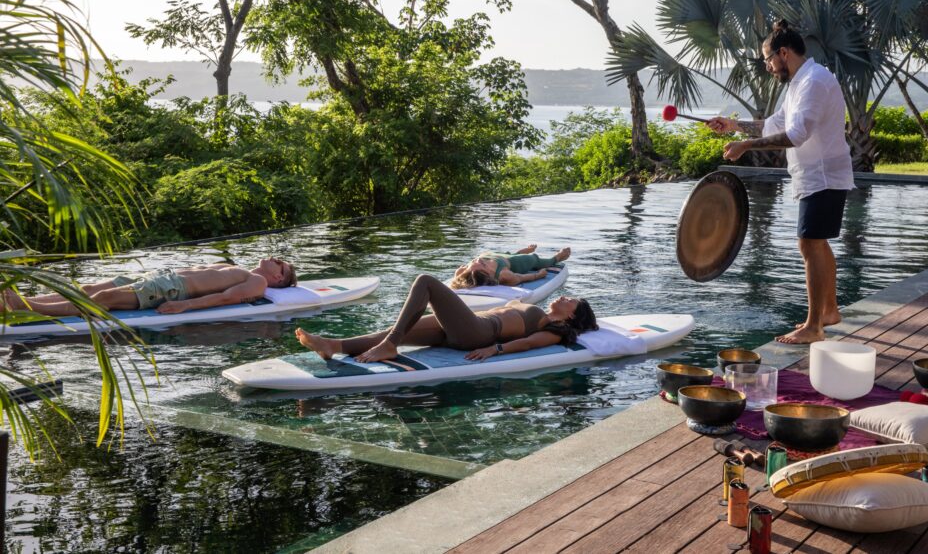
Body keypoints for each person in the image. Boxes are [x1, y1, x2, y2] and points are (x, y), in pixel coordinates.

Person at [707, 20, 853, 345]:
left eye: (768, 60)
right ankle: (829, 311)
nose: (768, 67)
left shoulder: (813, 82)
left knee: (810, 243)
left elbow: (796, 135)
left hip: (824, 174)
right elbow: (773, 124)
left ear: (783, 53)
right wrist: (733, 125)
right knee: (816, 242)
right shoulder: (800, 83)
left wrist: (745, 146)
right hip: (819, 175)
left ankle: (814, 326)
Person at [296, 273, 596, 363]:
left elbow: (531, 344)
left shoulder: (555, 328)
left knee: (426, 281)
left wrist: (496, 349)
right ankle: (332, 346)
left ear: (572, 316)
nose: (565, 297)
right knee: (396, 329)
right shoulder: (539, 310)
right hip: (464, 327)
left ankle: (389, 345)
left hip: (477, 333)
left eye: (571, 301)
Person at [4, 258, 297, 317]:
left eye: (280, 265)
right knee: (91, 286)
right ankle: (23, 297)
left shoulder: (257, 281)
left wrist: (186, 305)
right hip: (160, 277)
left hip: (169, 290)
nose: (275, 259)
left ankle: (25, 307)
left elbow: (226, 298)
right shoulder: (242, 267)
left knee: (104, 297)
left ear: (278, 279)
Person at [450, 243, 572, 288]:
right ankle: (557, 257)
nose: (476, 260)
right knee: (535, 261)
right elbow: (521, 278)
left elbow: (455, 283)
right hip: (512, 263)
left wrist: (480, 262)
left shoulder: (462, 272)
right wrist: (539, 275)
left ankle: (518, 252)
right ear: (485, 273)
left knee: (505, 254)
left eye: (473, 263)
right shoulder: (504, 275)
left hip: (492, 254)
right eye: (481, 264)